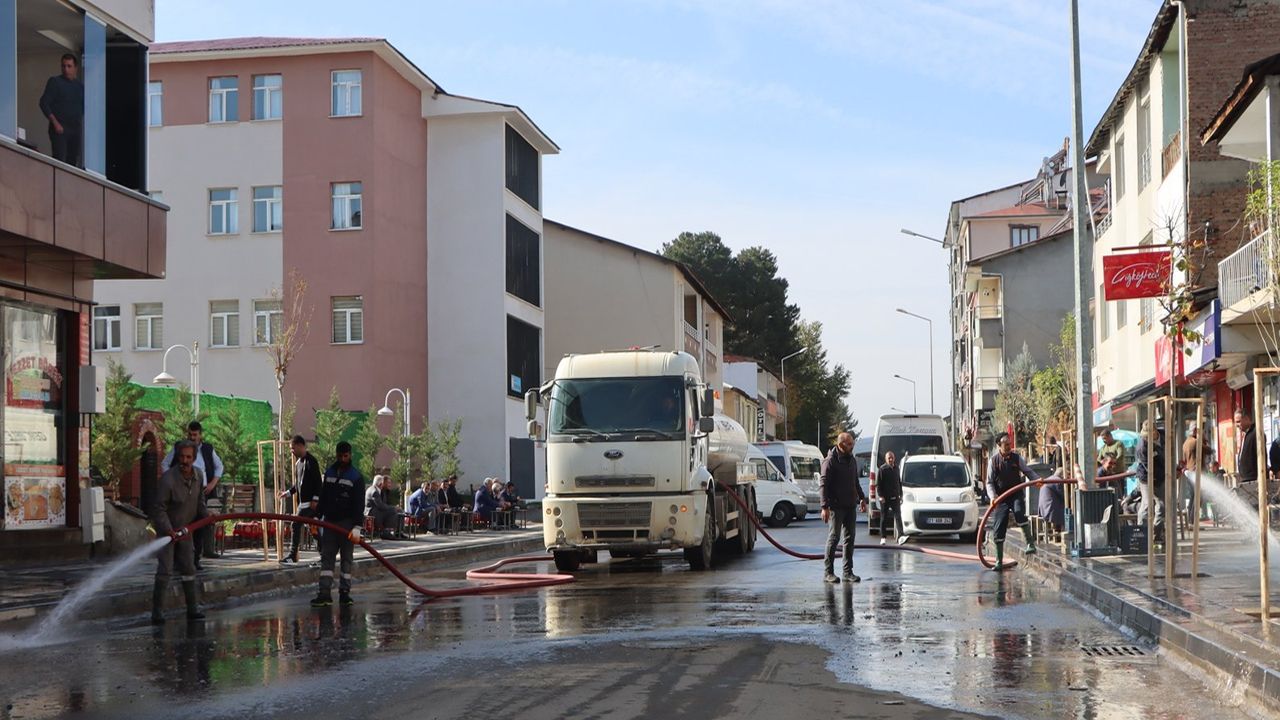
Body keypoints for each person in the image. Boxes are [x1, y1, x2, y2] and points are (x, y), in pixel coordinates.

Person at [148, 441, 209, 624]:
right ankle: (157, 612)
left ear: (194, 458)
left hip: (185, 530)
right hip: (167, 532)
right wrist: (168, 530)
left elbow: (200, 502)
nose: (185, 460)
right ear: (177, 457)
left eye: (189, 457)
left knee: (188, 568)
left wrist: (207, 517)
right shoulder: (168, 480)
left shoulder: (198, 476)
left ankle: (192, 608)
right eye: (182, 456)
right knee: (165, 569)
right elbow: (159, 508)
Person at [162, 421, 224, 570]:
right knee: (180, 525)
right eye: (190, 434)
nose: (192, 437)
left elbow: (219, 466)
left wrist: (212, 484)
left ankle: (195, 560)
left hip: (201, 493)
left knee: (199, 525)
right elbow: (165, 464)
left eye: (195, 435)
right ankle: (178, 561)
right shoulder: (179, 447)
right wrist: (172, 483)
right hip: (181, 493)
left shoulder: (207, 449)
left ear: (200, 435)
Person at [312, 441, 366, 608]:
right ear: (336, 454)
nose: (342, 459)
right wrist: (317, 516)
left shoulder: (355, 477)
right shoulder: (329, 473)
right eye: (340, 456)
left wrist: (357, 526)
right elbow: (324, 497)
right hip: (330, 522)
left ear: (350, 455)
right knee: (327, 558)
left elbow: (359, 503)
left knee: (346, 559)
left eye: (345, 456)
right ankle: (324, 593)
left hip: (347, 524)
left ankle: (344, 593)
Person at [820, 432, 869, 584]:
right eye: (849, 444)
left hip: (850, 505)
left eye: (852, 443)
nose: (852, 446)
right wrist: (824, 506)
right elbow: (823, 485)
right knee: (834, 538)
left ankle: (847, 572)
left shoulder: (851, 460)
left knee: (849, 539)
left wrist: (862, 498)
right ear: (841, 445)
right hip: (836, 507)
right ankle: (828, 573)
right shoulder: (830, 461)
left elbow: (855, 481)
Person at [986, 433, 1038, 570]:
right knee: (999, 525)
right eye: (1006, 444)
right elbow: (989, 482)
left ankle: (1030, 544)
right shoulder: (993, 461)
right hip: (1001, 497)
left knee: (1019, 512)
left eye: (1010, 444)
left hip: (1015, 494)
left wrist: (1037, 480)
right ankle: (999, 561)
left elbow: (1028, 471)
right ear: (999, 445)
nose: (1009, 446)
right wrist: (993, 497)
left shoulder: (1016, 458)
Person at [278, 435, 322, 564]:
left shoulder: (311, 461)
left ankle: (293, 555)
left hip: (310, 504)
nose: (291, 451)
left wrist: (315, 499)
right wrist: (287, 493)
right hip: (302, 504)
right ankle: (325, 555)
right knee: (313, 528)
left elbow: (318, 482)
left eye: (293, 448)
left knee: (295, 524)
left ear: (300, 446)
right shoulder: (298, 464)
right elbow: (297, 485)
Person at [38, 53, 84, 167]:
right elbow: (44, 103)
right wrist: (55, 123)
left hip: (75, 129)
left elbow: (84, 107)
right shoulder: (55, 82)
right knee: (60, 160)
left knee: (73, 162)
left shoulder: (80, 86)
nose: (66, 69)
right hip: (60, 128)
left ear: (75, 68)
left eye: (69, 66)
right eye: (63, 66)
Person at [1135, 420, 1166, 540]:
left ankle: (1156, 536)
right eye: (1145, 436)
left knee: (1162, 506)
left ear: (1155, 431)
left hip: (1162, 474)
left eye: (1148, 435)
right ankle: (1141, 536)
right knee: (1147, 505)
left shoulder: (1165, 436)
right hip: (1147, 477)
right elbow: (1149, 467)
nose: (1146, 438)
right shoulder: (1142, 447)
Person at [876, 451, 905, 546]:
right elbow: (879, 484)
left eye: (892, 457)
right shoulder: (882, 469)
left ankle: (901, 536)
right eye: (889, 458)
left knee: (898, 517)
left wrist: (900, 494)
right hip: (885, 498)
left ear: (894, 458)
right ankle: (883, 538)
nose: (891, 459)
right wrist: (881, 496)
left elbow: (899, 482)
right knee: (884, 517)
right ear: (886, 459)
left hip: (895, 497)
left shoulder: (897, 468)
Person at [366, 475, 407, 540]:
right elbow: (381, 506)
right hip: (373, 513)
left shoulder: (376, 489)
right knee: (393, 511)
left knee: (397, 511)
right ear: (380, 484)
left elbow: (383, 504)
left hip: (377, 511)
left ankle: (398, 532)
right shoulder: (374, 492)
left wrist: (393, 507)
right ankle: (387, 531)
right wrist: (393, 508)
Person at [1037, 467, 1067, 534]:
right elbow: (1064, 496)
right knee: (1067, 507)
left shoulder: (1049, 479)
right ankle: (1060, 529)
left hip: (1042, 509)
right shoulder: (1058, 481)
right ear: (1063, 475)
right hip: (1050, 510)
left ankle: (1057, 529)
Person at [1235, 409, 1259, 486]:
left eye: (1238, 421)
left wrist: (1259, 477)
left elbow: (1261, 456)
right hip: (1245, 479)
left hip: (1253, 480)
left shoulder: (1256, 434)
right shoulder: (1246, 434)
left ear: (1246, 419)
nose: (1236, 425)